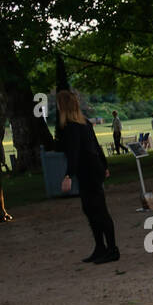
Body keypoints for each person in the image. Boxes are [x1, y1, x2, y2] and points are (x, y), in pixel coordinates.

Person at [58, 90, 119, 263]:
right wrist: (104, 165)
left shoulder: (72, 126)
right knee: (90, 209)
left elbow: (75, 152)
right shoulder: (83, 123)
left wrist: (68, 175)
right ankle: (100, 247)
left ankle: (112, 249)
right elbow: (95, 146)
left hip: (89, 171)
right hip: (91, 169)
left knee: (99, 210)